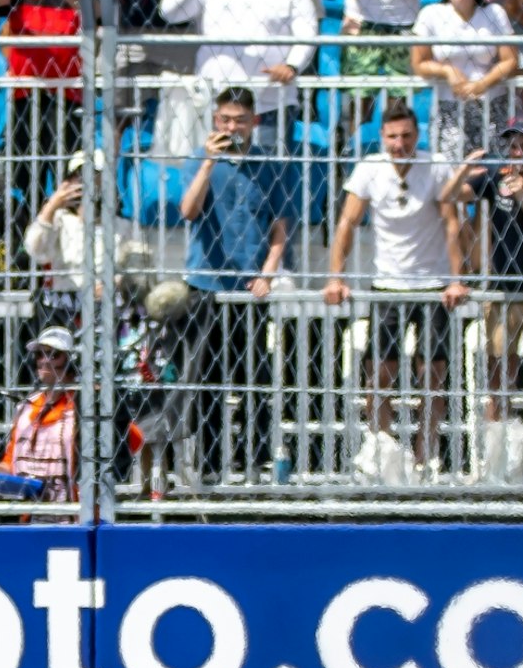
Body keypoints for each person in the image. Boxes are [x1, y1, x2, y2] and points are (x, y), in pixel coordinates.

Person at [327, 104, 464, 478]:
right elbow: (347, 222)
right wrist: (335, 276)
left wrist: (456, 278)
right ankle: (383, 449)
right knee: (378, 371)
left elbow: (452, 224)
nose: (399, 143)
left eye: (405, 136)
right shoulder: (370, 167)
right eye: (392, 136)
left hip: (432, 284)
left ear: (416, 136)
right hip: (387, 283)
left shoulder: (434, 164)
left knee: (432, 371)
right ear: (382, 137)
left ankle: (426, 453)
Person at [177, 85, 298, 480]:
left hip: (249, 289)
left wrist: (268, 273)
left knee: (254, 378)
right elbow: (189, 211)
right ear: (216, 121)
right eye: (226, 120)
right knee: (205, 380)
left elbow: (280, 225)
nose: (233, 127)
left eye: (240, 120)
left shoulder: (267, 164)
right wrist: (210, 163)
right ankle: (210, 463)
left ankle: (254, 458)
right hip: (206, 284)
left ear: (255, 122)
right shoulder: (199, 158)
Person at [0, 325, 81, 502]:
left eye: (54, 355)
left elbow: (130, 442)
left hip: (76, 517)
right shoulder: (27, 408)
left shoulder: (84, 406)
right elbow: (9, 465)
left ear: (71, 360)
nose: (44, 361)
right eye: (40, 354)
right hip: (32, 516)